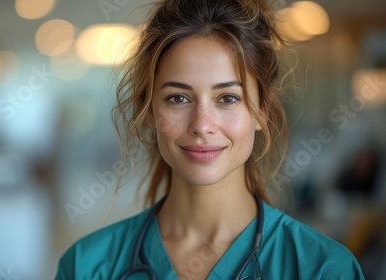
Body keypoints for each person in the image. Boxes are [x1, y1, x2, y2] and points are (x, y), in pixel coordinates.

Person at [56, 0, 365, 279]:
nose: (202, 125)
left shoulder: (324, 269)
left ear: (262, 112)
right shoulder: (88, 265)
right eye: (178, 98)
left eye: (228, 98)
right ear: (149, 110)